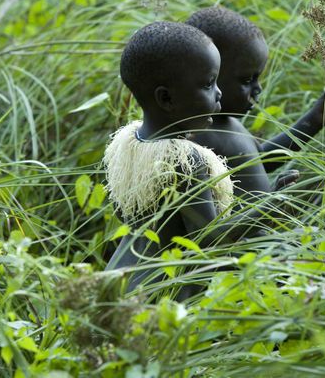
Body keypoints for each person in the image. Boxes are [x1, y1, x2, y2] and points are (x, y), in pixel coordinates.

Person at [103, 21, 265, 292]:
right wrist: (270, 207)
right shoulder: (185, 161)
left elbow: (123, 213)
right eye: (208, 84)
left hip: (120, 281)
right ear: (167, 99)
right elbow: (207, 241)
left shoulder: (125, 144)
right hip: (162, 294)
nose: (219, 92)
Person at [186, 6, 325, 200]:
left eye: (258, 78)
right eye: (246, 80)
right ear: (209, 76)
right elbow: (209, 225)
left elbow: (259, 161)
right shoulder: (196, 140)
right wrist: (269, 205)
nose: (258, 89)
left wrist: (313, 121)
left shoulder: (229, 124)